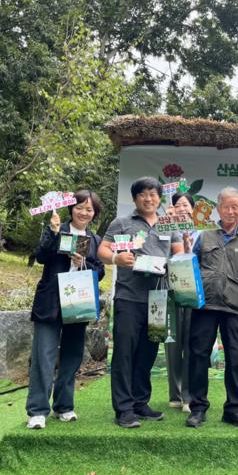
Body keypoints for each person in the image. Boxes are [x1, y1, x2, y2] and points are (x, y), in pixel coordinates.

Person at [98, 177, 183, 428]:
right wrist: (116, 258)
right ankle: (124, 409)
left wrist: (173, 263)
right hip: (128, 297)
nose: (149, 199)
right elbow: (103, 250)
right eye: (143, 194)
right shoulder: (122, 223)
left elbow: (178, 253)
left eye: (153, 194)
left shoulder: (169, 224)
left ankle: (140, 402)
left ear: (159, 198)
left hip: (158, 298)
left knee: (148, 352)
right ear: (135, 198)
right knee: (124, 353)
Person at [185, 187, 238, 428]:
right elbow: (191, 265)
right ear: (218, 208)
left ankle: (234, 409)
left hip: (235, 306)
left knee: (236, 358)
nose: (231, 211)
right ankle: (198, 408)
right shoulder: (205, 234)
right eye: (226, 207)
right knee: (199, 356)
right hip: (205, 305)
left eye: (235, 207)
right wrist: (186, 252)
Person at [26, 190, 105, 429]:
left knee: (72, 356)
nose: (84, 213)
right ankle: (37, 410)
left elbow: (100, 271)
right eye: (79, 207)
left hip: (79, 302)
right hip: (51, 302)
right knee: (44, 356)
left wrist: (83, 263)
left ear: (94, 214)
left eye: (89, 209)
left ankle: (64, 406)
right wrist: (53, 232)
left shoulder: (94, 240)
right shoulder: (56, 229)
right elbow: (41, 256)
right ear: (71, 208)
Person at [165, 192, 197, 413]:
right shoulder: (164, 230)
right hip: (171, 291)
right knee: (172, 343)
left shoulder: (202, 232)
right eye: (177, 205)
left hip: (194, 294)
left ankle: (189, 395)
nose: (182, 208)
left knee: (192, 343)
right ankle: (175, 394)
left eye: (186, 205)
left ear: (193, 209)